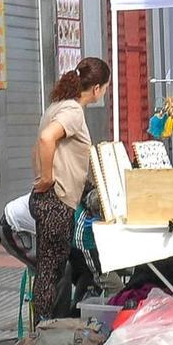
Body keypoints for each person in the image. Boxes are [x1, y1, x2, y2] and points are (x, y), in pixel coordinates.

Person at [27, 57, 109, 323]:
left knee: (50, 271)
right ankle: (42, 334)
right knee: (51, 273)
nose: (104, 92)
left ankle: (43, 331)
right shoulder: (72, 111)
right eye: (105, 87)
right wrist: (47, 178)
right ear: (96, 88)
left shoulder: (57, 106)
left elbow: (38, 144)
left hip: (49, 200)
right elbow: (45, 139)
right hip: (55, 201)